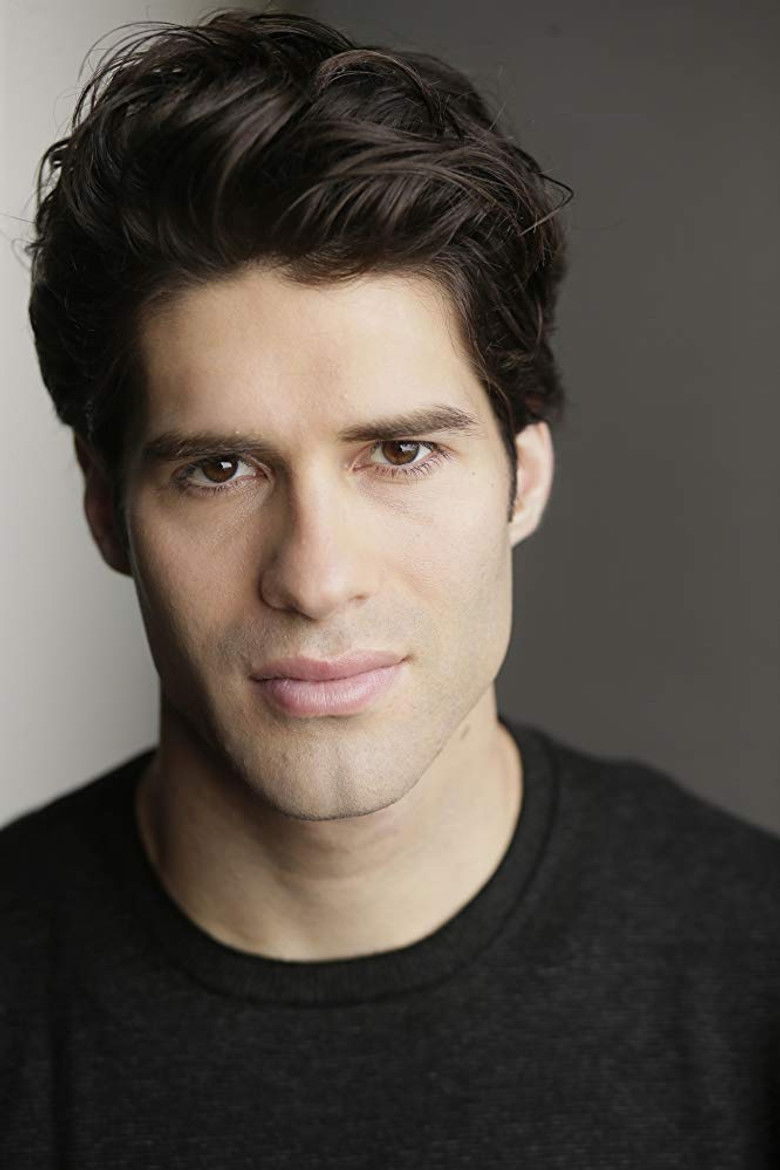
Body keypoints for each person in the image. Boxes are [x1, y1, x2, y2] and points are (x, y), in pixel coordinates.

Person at [2, 8, 778, 1167]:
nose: (316, 578)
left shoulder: (755, 971)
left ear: (522, 478)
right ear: (107, 508)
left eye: (400, 453)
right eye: (219, 469)